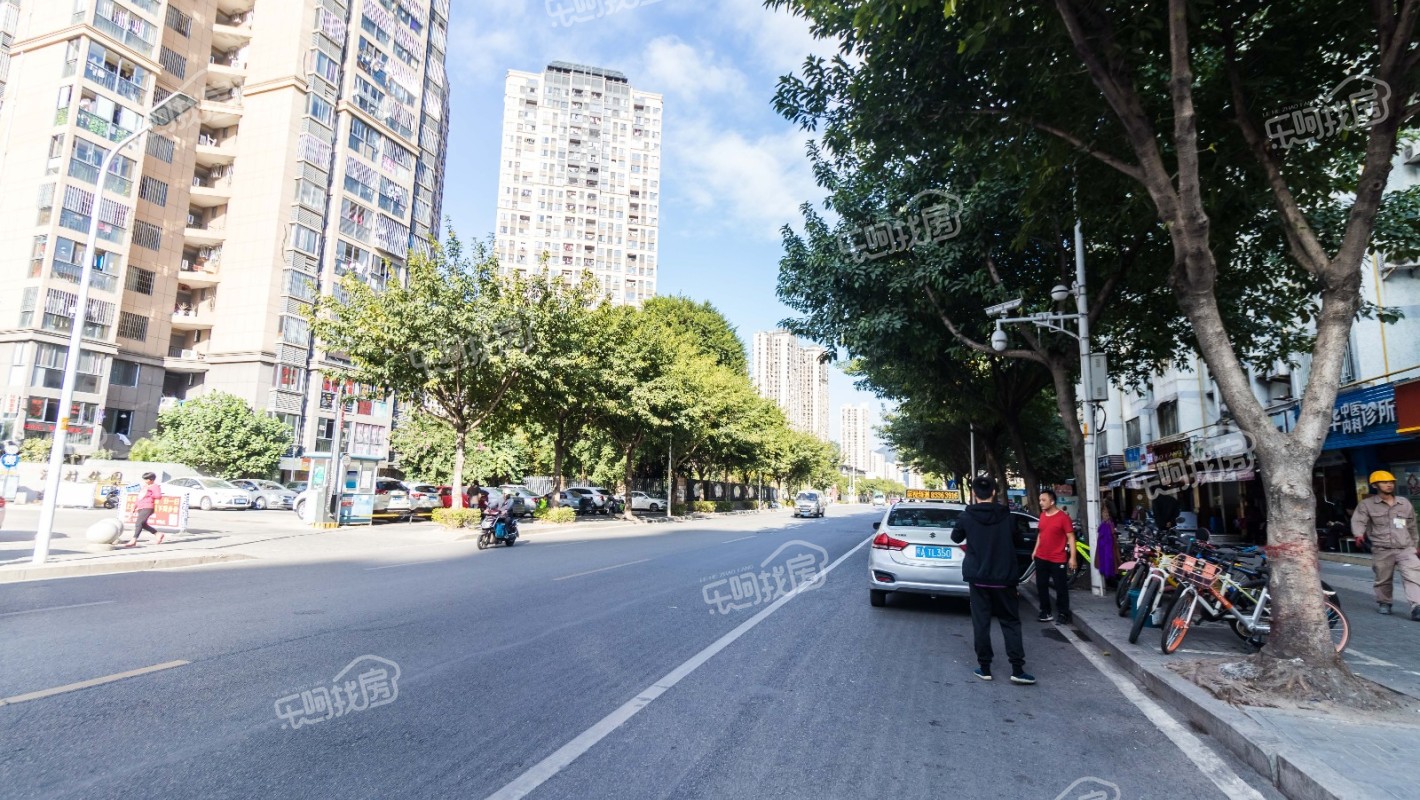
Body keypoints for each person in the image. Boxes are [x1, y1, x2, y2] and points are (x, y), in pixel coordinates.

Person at [950, 476, 1034, 685]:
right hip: (1004, 577)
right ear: (994, 493)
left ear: (974, 494)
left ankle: (985, 668)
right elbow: (1016, 541)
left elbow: (955, 537)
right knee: (1011, 622)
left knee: (981, 622)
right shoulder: (1008, 517)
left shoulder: (966, 517)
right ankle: (1017, 669)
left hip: (978, 578)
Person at [1352, 470, 1420, 619]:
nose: (1389, 485)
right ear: (1375, 485)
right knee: (1383, 579)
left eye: (1391, 482)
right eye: (1384, 482)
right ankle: (1385, 602)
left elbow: (1412, 526)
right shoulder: (1367, 504)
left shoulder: (1404, 503)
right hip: (1382, 548)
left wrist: (1416, 545)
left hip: (1405, 547)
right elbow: (1359, 520)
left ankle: (1417, 607)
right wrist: (1358, 534)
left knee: (1414, 576)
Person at [1032, 488, 1076, 624]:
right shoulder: (1043, 515)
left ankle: (1063, 613)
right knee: (1041, 585)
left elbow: (1071, 537)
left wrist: (1072, 557)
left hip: (1057, 559)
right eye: (1040, 500)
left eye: (1043, 500)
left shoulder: (1063, 518)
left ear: (1052, 501)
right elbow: (1040, 534)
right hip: (1041, 557)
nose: (1041, 503)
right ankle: (1045, 612)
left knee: (1060, 587)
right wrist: (1035, 550)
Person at [122, 472, 162, 547]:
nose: (145, 481)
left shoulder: (155, 486)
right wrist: (133, 509)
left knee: (138, 523)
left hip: (148, 506)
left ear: (151, 479)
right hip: (140, 507)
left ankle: (133, 540)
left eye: (147, 479)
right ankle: (157, 534)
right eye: (145, 479)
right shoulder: (144, 487)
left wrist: (150, 494)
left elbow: (158, 496)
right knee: (143, 524)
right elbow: (139, 498)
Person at [1095, 504, 1118, 582]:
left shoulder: (1107, 525)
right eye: (1104, 513)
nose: (1106, 514)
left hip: (1106, 542)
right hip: (1104, 542)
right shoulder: (1106, 524)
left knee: (1107, 555)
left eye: (1106, 513)